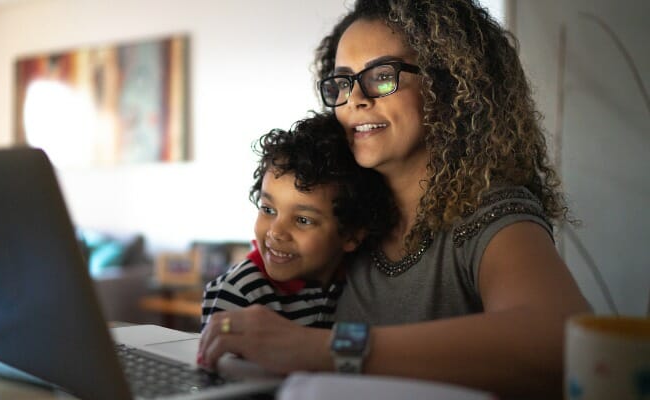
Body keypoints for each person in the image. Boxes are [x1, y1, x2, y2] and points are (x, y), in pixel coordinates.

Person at [198, 1, 591, 398]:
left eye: (382, 76)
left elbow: (560, 340)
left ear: (449, 85)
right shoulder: (348, 214)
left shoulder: (488, 213)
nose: (355, 100)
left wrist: (320, 349)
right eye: (342, 82)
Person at [201, 112, 396, 331]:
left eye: (303, 220)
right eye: (268, 209)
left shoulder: (357, 281)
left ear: (351, 235)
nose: (276, 232)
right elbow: (215, 360)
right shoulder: (241, 291)